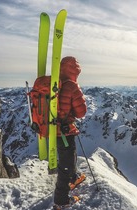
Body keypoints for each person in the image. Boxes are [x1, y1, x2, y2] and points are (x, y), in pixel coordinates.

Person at [53, 56, 87, 208]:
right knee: (65, 165)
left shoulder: (55, 84)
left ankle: (73, 179)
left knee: (69, 158)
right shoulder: (72, 86)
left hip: (53, 129)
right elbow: (81, 112)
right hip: (65, 131)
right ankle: (61, 202)